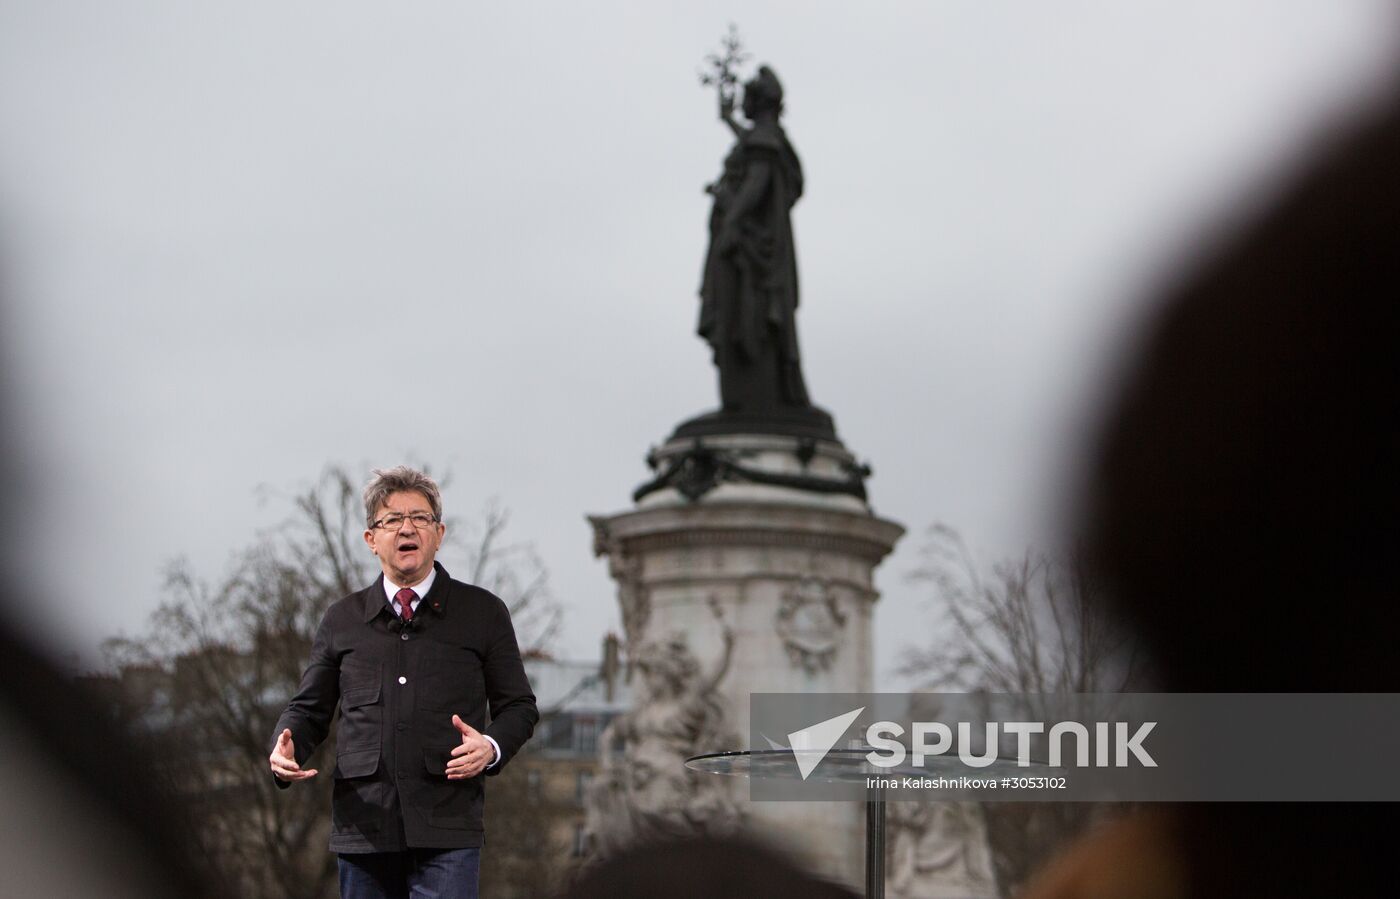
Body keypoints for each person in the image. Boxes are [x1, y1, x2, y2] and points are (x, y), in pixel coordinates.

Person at [269, 465, 539, 899]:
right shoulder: (342, 619)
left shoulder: (483, 613)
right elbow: (308, 710)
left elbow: (520, 708)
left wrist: (490, 747)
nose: (407, 528)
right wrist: (287, 747)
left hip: (448, 830)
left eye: (420, 518)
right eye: (392, 520)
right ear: (370, 539)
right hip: (364, 833)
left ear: (439, 533)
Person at [699, 65, 811, 415]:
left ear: (759, 101)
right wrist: (727, 120)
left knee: (747, 318)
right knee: (746, 318)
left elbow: (756, 183)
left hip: (751, 253)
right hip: (750, 248)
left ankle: (751, 396)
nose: (743, 102)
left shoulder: (766, 142)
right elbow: (753, 144)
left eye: (747, 96)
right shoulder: (769, 138)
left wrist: (732, 221)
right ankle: (750, 394)